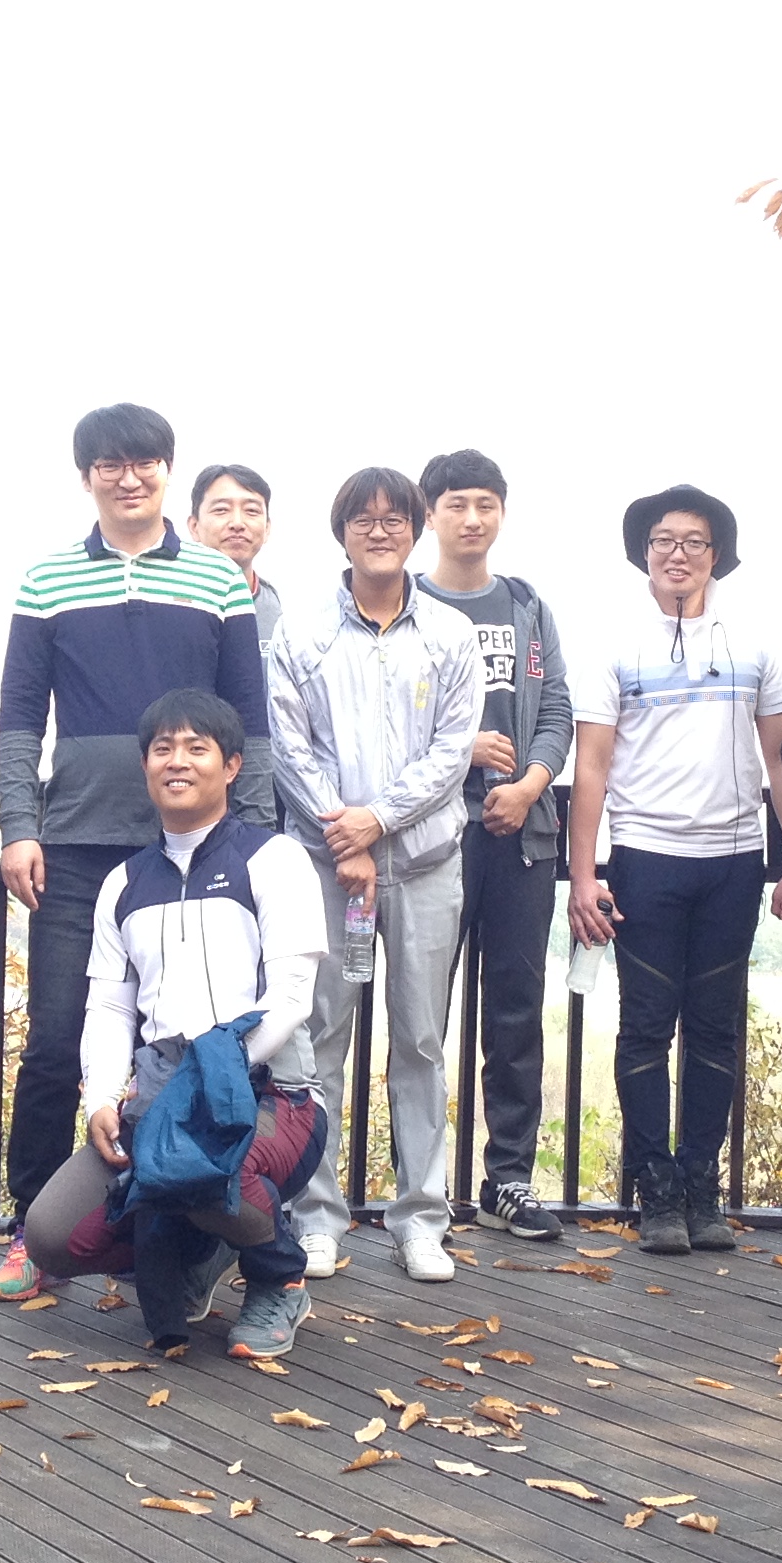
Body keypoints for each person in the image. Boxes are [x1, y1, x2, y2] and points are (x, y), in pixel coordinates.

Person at [0, 405, 276, 1301]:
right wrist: (20, 825)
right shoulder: (47, 581)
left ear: (165, 471)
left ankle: (177, 1229)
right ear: (87, 477)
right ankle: (34, 1232)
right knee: (54, 1042)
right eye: (109, 464)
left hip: (190, 849)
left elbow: (250, 719)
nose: (128, 476)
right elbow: (20, 715)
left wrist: (253, 836)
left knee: (200, 1039)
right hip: (74, 844)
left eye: (144, 461)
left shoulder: (217, 580)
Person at [22, 690, 329, 1359]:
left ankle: (279, 1277)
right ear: (145, 766)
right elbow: (109, 1008)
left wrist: (205, 1081)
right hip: (157, 1099)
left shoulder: (274, 860)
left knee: (193, 1166)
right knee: (52, 1234)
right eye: (162, 748)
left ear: (232, 766)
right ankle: (201, 1246)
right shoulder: (124, 883)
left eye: (197, 748)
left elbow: (291, 998)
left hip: (272, 1097)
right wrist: (103, 1100)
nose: (177, 761)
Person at [566, 486, 782, 1254]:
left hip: (734, 861)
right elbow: (591, 766)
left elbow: (781, 761)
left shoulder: (756, 643)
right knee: (645, 1028)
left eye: (694, 542)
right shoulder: (614, 643)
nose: (677, 554)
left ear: (718, 554)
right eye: (663, 541)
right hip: (645, 857)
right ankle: (657, 1189)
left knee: (714, 1029)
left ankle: (703, 1184)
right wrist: (584, 876)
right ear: (644, 552)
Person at [266, 466, 480, 1282]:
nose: (381, 530)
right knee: (318, 1039)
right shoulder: (302, 633)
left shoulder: (450, 634)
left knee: (421, 1040)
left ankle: (421, 1219)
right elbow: (290, 749)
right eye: (365, 517)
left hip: (425, 866)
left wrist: (375, 822)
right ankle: (316, 1217)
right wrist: (345, 835)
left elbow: (452, 753)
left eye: (396, 518)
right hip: (326, 872)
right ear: (343, 531)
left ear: (416, 531)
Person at [415, 450, 576, 1243]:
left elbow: (558, 711)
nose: (471, 518)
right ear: (430, 513)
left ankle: (508, 1178)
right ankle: (419, 1188)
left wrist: (530, 783)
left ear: (502, 512)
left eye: (485, 504)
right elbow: (388, 720)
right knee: (423, 1016)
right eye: (455, 504)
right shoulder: (405, 601)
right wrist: (462, 753)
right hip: (431, 839)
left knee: (516, 1013)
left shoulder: (525, 606)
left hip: (521, 837)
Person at [190, 462, 282, 636]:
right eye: (221, 510)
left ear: (267, 528)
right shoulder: (172, 602)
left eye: (251, 510)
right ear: (194, 526)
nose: (237, 523)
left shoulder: (282, 610)